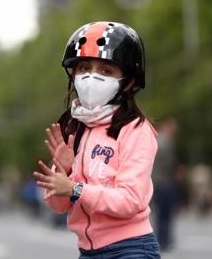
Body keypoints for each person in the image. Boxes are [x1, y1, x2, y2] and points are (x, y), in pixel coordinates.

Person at [33, 21, 161, 258]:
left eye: (106, 70)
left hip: (130, 249)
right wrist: (67, 170)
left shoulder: (136, 130)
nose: (91, 77)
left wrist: (76, 188)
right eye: (84, 68)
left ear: (129, 81)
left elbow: (131, 200)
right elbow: (57, 206)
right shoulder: (74, 128)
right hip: (87, 251)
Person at [151, 117, 178, 251]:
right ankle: (164, 241)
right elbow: (169, 164)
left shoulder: (158, 140)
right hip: (164, 182)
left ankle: (162, 240)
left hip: (157, 181)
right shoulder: (165, 142)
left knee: (161, 214)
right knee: (165, 214)